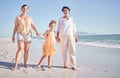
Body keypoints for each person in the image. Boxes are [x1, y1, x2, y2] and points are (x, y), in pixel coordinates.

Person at [12, 4, 40, 71]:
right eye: (24, 8)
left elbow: (33, 25)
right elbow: (15, 27)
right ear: (21, 9)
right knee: (20, 49)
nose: (25, 9)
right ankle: (16, 65)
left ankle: (25, 64)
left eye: (26, 8)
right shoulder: (18, 17)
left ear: (28, 10)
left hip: (28, 35)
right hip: (20, 34)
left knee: (26, 50)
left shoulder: (30, 18)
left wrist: (37, 31)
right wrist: (13, 35)